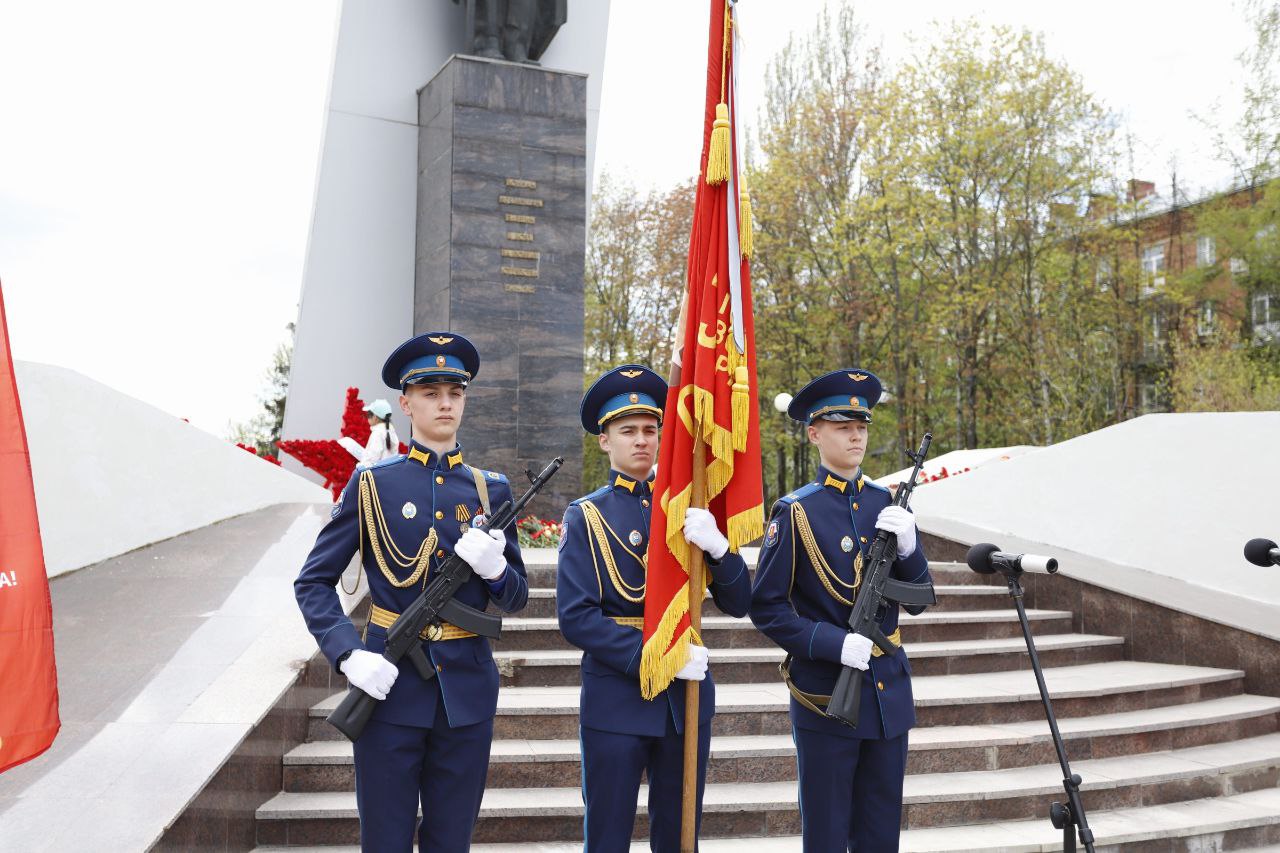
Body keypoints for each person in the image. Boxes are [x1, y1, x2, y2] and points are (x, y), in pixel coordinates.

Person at [293, 331, 528, 852]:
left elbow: (514, 597)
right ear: (406, 402)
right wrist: (348, 654)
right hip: (389, 688)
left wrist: (495, 571)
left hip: (466, 692)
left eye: (455, 392)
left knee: (451, 842)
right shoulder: (373, 484)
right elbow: (312, 581)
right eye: (430, 392)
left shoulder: (492, 489)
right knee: (386, 840)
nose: (445, 403)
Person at [556, 364, 752, 852]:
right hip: (618, 701)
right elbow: (576, 617)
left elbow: (738, 600)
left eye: (650, 429)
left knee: (680, 837)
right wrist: (660, 655)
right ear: (605, 441)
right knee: (608, 836)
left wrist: (720, 550)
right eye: (627, 431)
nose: (642, 441)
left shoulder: (690, 507)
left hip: (683, 706)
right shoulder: (586, 516)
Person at [748, 369, 931, 853]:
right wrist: (834, 643)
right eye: (842, 426)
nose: (855, 435)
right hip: (827, 695)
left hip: (887, 692)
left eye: (862, 426)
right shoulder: (795, 512)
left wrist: (910, 547)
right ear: (814, 433)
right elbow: (766, 607)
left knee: (879, 835)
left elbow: (918, 599)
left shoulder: (885, 503)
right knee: (827, 834)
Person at [360, 398, 400, 466]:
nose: (367, 418)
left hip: (377, 474)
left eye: (368, 415)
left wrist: (360, 466)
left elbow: (372, 460)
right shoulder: (391, 431)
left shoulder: (377, 433)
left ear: (375, 417)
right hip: (389, 472)